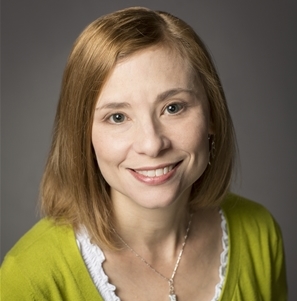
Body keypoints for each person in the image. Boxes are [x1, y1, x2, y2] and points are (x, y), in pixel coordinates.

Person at [1, 7, 287, 301]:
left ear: (212, 115)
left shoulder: (260, 234)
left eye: (173, 107)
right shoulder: (30, 277)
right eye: (117, 117)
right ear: (82, 135)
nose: (152, 144)